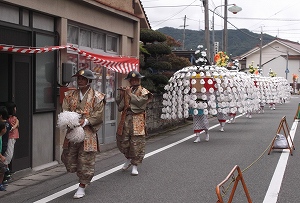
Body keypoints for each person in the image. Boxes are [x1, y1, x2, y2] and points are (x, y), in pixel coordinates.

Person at [61, 69, 106, 199]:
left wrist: (86, 121)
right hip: (73, 130)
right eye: (79, 78)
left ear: (89, 80)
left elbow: (98, 114)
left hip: (88, 132)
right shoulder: (69, 95)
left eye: (82, 78)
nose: (80, 81)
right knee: (68, 157)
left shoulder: (97, 96)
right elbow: (65, 109)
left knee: (86, 159)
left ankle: (82, 185)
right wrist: (70, 119)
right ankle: (81, 177)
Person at [116, 70, 152, 176]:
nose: (134, 81)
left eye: (136, 79)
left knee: (137, 143)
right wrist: (122, 95)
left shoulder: (144, 91)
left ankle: (135, 165)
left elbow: (141, 103)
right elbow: (120, 106)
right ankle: (128, 158)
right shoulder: (128, 90)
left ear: (139, 80)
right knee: (123, 141)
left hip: (138, 119)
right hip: (126, 118)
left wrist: (130, 95)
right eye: (132, 80)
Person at [4, 101, 19, 176]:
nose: (15, 109)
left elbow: (17, 123)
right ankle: (5, 170)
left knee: (10, 153)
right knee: (9, 154)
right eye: (14, 108)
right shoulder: (8, 119)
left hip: (13, 137)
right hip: (10, 137)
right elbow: (14, 126)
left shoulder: (13, 117)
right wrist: (15, 125)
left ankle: (6, 169)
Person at [0, 106, 11, 187]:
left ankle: (4, 178)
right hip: (4, 146)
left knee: (2, 165)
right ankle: (4, 179)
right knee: (3, 165)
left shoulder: (3, 124)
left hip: (2, 147)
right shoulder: (8, 124)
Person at [0, 121, 8, 191]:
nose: (6, 129)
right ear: (3, 129)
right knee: (2, 168)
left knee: (3, 168)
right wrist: (1, 157)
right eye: (5, 128)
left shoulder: (1, 137)